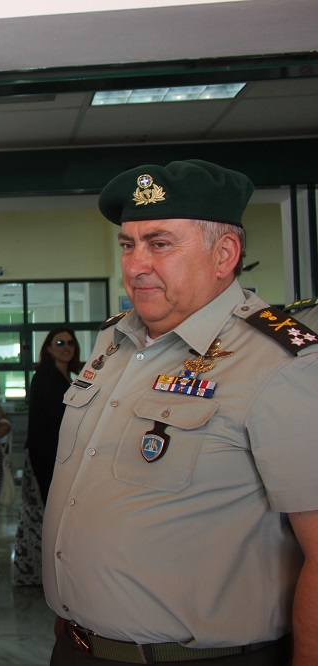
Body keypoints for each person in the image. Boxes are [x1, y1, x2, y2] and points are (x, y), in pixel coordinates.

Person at [42, 159, 318, 664]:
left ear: (224, 254)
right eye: (128, 245)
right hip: (80, 646)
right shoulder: (114, 340)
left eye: (160, 244)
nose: (135, 265)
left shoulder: (280, 362)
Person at [25, 328, 82, 503]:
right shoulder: (46, 374)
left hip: (59, 450)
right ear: (49, 349)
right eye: (59, 343)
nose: (66, 347)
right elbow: (58, 412)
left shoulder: (65, 376)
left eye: (70, 343)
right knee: (53, 503)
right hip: (47, 452)